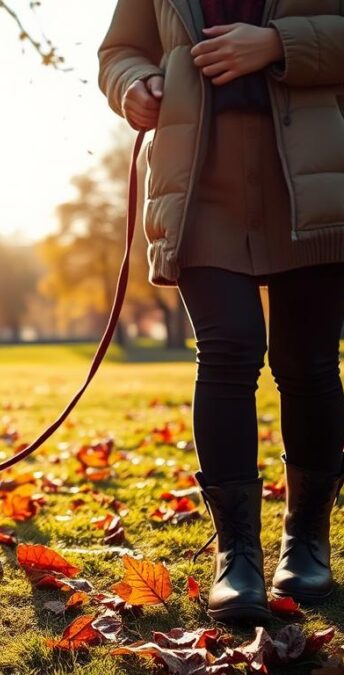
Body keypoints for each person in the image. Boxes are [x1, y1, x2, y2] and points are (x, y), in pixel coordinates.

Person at [99, 1, 344, 623]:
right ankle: (237, 554)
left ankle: (307, 538)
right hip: (197, 181)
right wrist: (133, 85)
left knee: (309, 362)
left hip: (316, 174)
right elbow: (119, 51)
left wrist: (279, 43)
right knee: (228, 351)